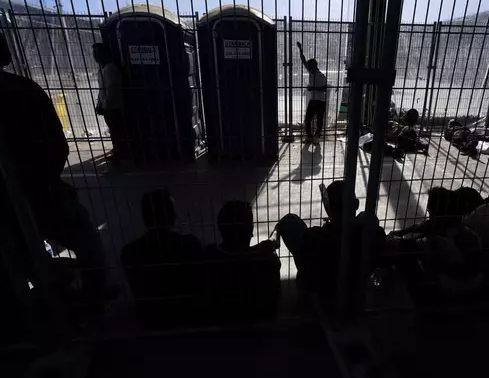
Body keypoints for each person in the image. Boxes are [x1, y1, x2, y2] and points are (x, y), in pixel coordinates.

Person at [1, 34, 105, 296]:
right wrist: (45, 179)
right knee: (86, 239)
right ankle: (93, 293)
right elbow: (58, 145)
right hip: (42, 191)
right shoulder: (23, 90)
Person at [277, 181, 385, 316]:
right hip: (354, 287)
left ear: (328, 207)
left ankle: (306, 297)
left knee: (289, 221)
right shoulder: (374, 234)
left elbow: (308, 252)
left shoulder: (315, 237)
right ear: (356, 204)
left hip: (323, 290)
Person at [121, 189, 203, 328]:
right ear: (171, 216)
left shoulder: (130, 252)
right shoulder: (190, 244)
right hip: (187, 316)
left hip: (150, 318)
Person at [203, 201, 281, 323]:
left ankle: (271, 242)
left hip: (220, 320)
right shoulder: (266, 259)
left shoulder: (208, 255)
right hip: (260, 322)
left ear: (220, 228)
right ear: (251, 230)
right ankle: (272, 242)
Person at [92, 43, 125, 161]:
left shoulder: (110, 68)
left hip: (113, 106)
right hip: (108, 105)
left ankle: (119, 151)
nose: (95, 56)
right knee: (113, 129)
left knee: (116, 129)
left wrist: (104, 105)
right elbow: (102, 89)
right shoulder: (103, 69)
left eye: (97, 53)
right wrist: (99, 104)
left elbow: (112, 89)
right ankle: (117, 149)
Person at [297, 41, 327, 144]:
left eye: (309, 67)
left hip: (320, 101)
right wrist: (300, 49)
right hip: (313, 100)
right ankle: (309, 136)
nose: (307, 68)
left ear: (314, 66)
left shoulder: (321, 76)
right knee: (307, 119)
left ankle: (317, 136)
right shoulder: (311, 72)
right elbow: (303, 61)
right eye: (308, 67)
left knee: (319, 120)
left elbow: (324, 89)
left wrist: (313, 88)